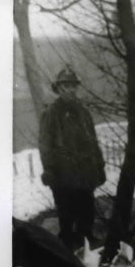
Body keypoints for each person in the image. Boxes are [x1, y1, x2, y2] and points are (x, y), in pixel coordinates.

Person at [38, 67, 106, 251]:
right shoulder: (51, 113)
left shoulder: (83, 112)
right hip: (63, 174)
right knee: (66, 214)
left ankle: (87, 242)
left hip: (84, 172)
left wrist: (99, 166)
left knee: (87, 211)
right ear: (58, 89)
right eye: (66, 86)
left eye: (73, 86)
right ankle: (67, 248)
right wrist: (50, 170)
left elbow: (93, 141)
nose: (70, 90)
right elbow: (45, 145)